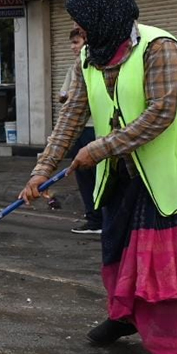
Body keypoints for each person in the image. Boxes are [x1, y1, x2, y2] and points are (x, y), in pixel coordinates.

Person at [22, 0, 177, 354]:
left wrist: (97, 149)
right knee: (119, 249)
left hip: (175, 167)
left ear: (105, 17)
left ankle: (168, 348)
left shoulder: (160, 47)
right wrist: (42, 170)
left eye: (82, 24)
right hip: (124, 169)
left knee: (162, 259)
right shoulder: (90, 56)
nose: (79, 33)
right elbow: (71, 117)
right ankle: (124, 316)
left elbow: (160, 114)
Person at [61, 28, 103, 235]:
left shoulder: (105, 65)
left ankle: (99, 219)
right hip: (83, 127)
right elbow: (66, 98)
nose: (72, 47)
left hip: (98, 129)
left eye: (76, 42)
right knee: (86, 176)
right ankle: (94, 217)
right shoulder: (76, 68)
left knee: (97, 176)